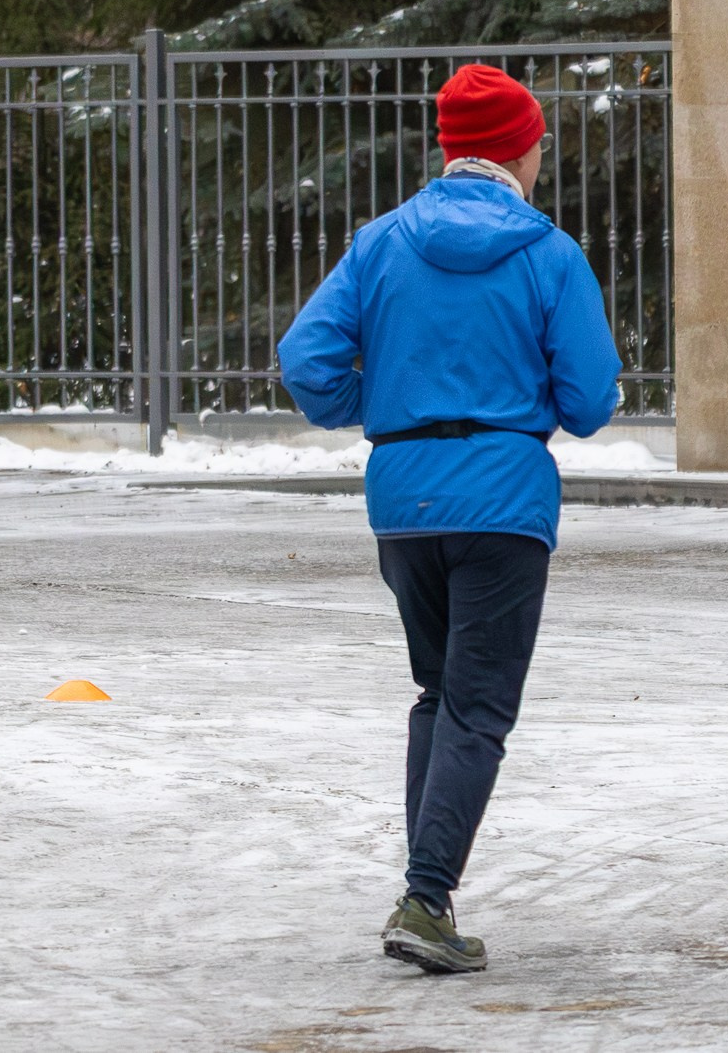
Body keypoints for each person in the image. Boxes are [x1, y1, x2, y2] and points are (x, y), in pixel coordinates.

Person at [278, 63, 622, 974]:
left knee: (439, 690)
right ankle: (426, 898)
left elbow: (306, 359)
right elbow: (589, 400)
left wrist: (385, 402)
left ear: (449, 145)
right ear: (523, 147)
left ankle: (424, 888)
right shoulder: (549, 252)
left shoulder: (380, 242)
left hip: (402, 495)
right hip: (504, 499)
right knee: (476, 703)